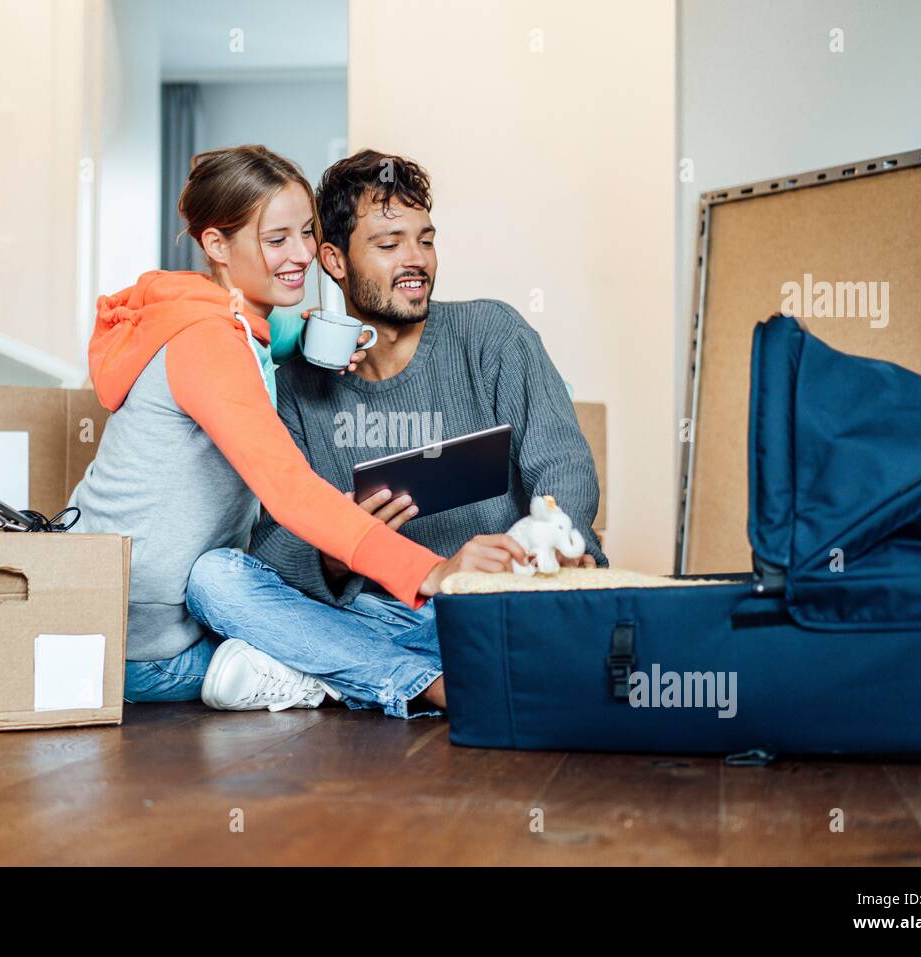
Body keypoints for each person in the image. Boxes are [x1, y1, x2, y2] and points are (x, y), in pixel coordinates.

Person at [68, 145, 526, 708]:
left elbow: (266, 330)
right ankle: (392, 681)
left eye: (307, 233)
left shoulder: (220, 318)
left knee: (317, 605)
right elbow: (290, 492)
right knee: (273, 604)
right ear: (216, 245)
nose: (303, 254)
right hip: (150, 649)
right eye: (276, 239)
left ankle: (406, 664)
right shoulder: (207, 343)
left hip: (170, 614)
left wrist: (309, 335)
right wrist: (432, 571)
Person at [186, 149, 606, 719]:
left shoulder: (492, 335)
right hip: (378, 619)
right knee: (214, 581)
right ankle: (429, 685)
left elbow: (563, 465)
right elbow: (270, 557)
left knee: (572, 628)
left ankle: (326, 673)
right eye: (389, 245)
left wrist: (552, 542)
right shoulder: (294, 390)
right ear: (333, 260)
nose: (416, 261)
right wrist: (338, 555)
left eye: (425, 240)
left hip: (498, 603)